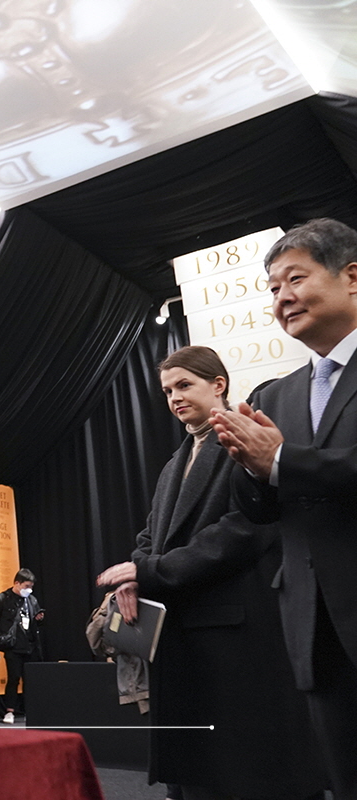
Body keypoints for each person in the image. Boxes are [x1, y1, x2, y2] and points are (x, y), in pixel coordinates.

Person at [99, 345, 324, 800]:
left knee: (247, 773)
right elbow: (150, 535)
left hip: (237, 634)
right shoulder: (173, 463)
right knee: (196, 777)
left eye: (185, 385)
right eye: (167, 390)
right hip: (184, 633)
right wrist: (134, 574)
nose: (175, 397)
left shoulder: (245, 439)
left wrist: (152, 571)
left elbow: (244, 530)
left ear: (218, 385)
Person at [213, 218, 357, 800]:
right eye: (272, 289)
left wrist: (283, 460)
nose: (282, 298)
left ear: (352, 277)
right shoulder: (274, 396)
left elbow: (295, 466)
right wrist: (255, 469)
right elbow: (260, 510)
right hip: (314, 627)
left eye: (295, 278)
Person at [0, 568, 44, 724]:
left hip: (31, 645)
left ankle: (30, 710)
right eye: (26, 586)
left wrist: (39, 619)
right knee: (13, 678)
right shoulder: (2, 599)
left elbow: (36, 624)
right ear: (17, 583)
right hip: (12, 646)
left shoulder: (32, 600)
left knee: (31, 680)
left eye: (31, 587)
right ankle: (9, 712)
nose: (29, 590)